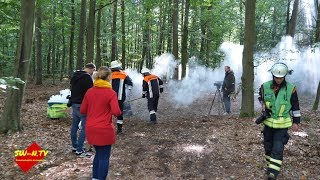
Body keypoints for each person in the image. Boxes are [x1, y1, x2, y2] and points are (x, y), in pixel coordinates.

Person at [257, 62, 301, 180]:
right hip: (268, 123)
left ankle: (273, 173)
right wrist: (262, 103)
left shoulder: (291, 89)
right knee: (268, 147)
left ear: (284, 77)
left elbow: (295, 106)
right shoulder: (265, 86)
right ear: (273, 76)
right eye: (276, 77)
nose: (278, 80)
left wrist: (296, 122)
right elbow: (260, 96)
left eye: (281, 78)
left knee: (278, 147)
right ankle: (270, 166)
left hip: (282, 125)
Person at [80, 66, 121, 180]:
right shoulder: (111, 93)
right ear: (108, 77)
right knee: (104, 157)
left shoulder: (90, 91)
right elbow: (116, 112)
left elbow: (83, 110)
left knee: (98, 154)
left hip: (91, 128)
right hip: (104, 129)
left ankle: (95, 178)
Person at [70, 63, 96, 157]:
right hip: (82, 105)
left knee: (74, 126)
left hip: (74, 104)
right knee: (84, 127)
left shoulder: (75, 75)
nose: (93, 73)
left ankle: (75, 146)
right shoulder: (87, 77)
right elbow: (91, 92)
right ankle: (79, 150)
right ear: (91, 69)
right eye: (93, 70)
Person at [110, 61, 133, 134]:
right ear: (118, 67)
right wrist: (128, 90)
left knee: (108, 112)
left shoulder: (108, 75)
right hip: (120, 97)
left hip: (109, 97)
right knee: (120, 113)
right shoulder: (124, 74)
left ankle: (107, 128)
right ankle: (119, 130)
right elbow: (130, 84)